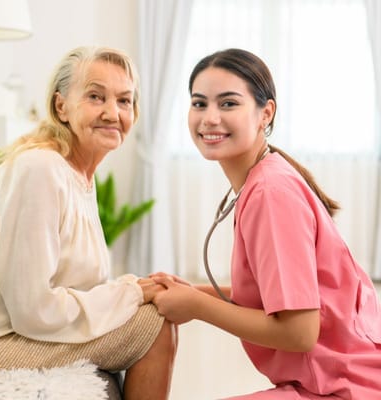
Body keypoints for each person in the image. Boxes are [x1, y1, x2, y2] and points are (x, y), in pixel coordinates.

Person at [151, 48, 381, 399]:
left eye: (228, 104)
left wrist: (197, 307)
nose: (209, 118)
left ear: (265, 113)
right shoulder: (263, 180)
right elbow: (275, 298)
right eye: (199, 104)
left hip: (350, 386)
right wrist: (192, 292)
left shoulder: (270, 193)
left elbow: (298, 332)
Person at [0, 46, 176, 400]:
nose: (112, 113)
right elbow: (33, 310)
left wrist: (135, 286)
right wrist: (131, 292)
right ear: (61, 107)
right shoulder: (39, 169)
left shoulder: (78, 175)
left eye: (124, 101)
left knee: (153, 311)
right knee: (154, 326)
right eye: (95, 96)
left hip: (15, 332)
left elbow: (73, 283)